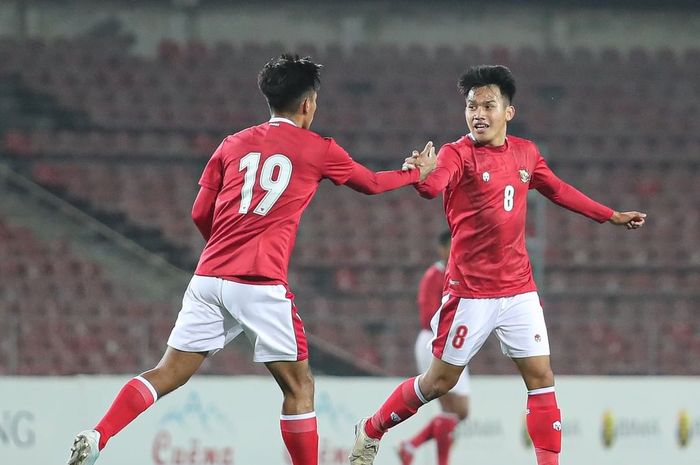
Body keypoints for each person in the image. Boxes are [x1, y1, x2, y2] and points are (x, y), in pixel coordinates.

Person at [66, 53, 436, 465]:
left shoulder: (232, 144)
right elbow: (369, 184)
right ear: (308, 104)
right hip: (259, 283)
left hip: (208, 278)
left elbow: (198, 213)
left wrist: (224, 249)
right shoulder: (318, 148)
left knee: (167, 372)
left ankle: (100, 433)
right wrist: (414, 174)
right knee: (299, 388)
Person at [349, 64, 646, 465]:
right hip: (470, 293)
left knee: (541, 378)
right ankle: (372, 428)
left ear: (509, 112)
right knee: (439, 382)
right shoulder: (458, 153)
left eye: (488, 105)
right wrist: (421, 174)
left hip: (519, 290)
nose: (478, 114)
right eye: (472, 106)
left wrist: (609, 215)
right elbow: (433, 187)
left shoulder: (527, 153)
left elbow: (558, 190)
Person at [397, 230, 470, 465]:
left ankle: (410, 446)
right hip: (435, 341)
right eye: (451, 246)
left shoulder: (463, 273)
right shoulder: (434, 275)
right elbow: (428, 315)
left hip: (456, 342)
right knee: (450, 408)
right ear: (441, 248)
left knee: (461, 410)